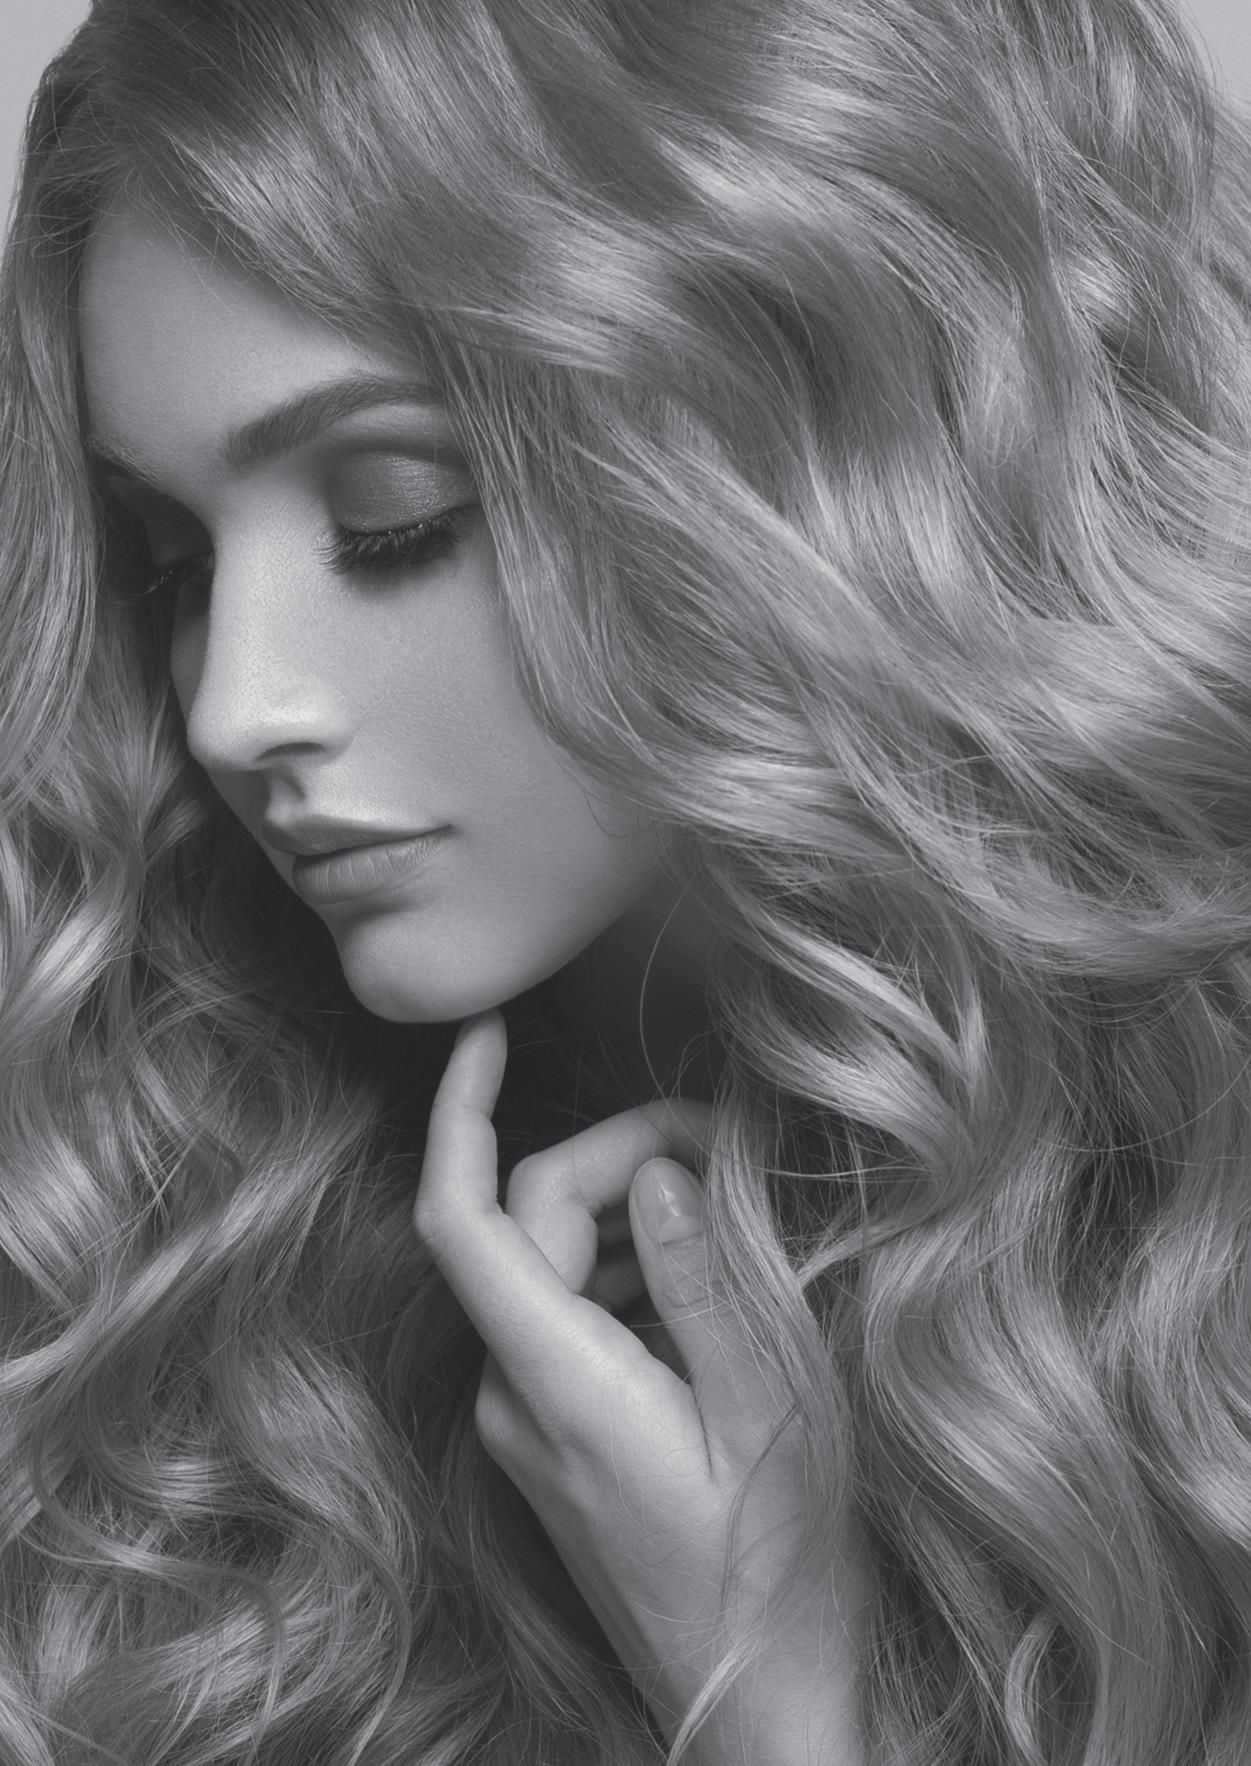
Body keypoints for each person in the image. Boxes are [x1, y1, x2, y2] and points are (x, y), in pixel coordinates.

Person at [3, 0, 1251, 1760]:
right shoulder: (177, 1226)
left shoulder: (1202, 1251)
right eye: (170, 561)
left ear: (820, 441)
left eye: (392, 512)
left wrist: (769, 1696)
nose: (231, 706)